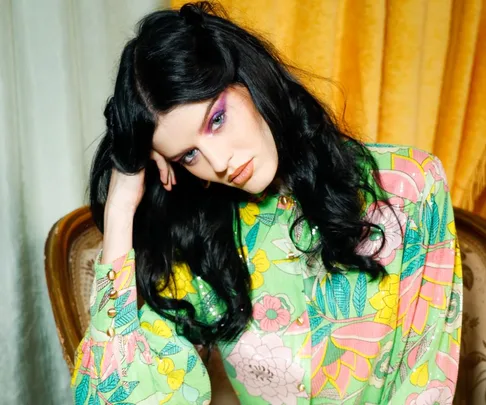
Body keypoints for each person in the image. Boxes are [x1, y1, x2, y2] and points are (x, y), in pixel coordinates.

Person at [71, 2, 462, 404]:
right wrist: (120, 212)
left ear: (247, 79)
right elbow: (113, 398)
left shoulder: (409, 184)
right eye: (189, 156)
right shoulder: (201, 238)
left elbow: (426, 378)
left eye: (217, 120)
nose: (220, 163)